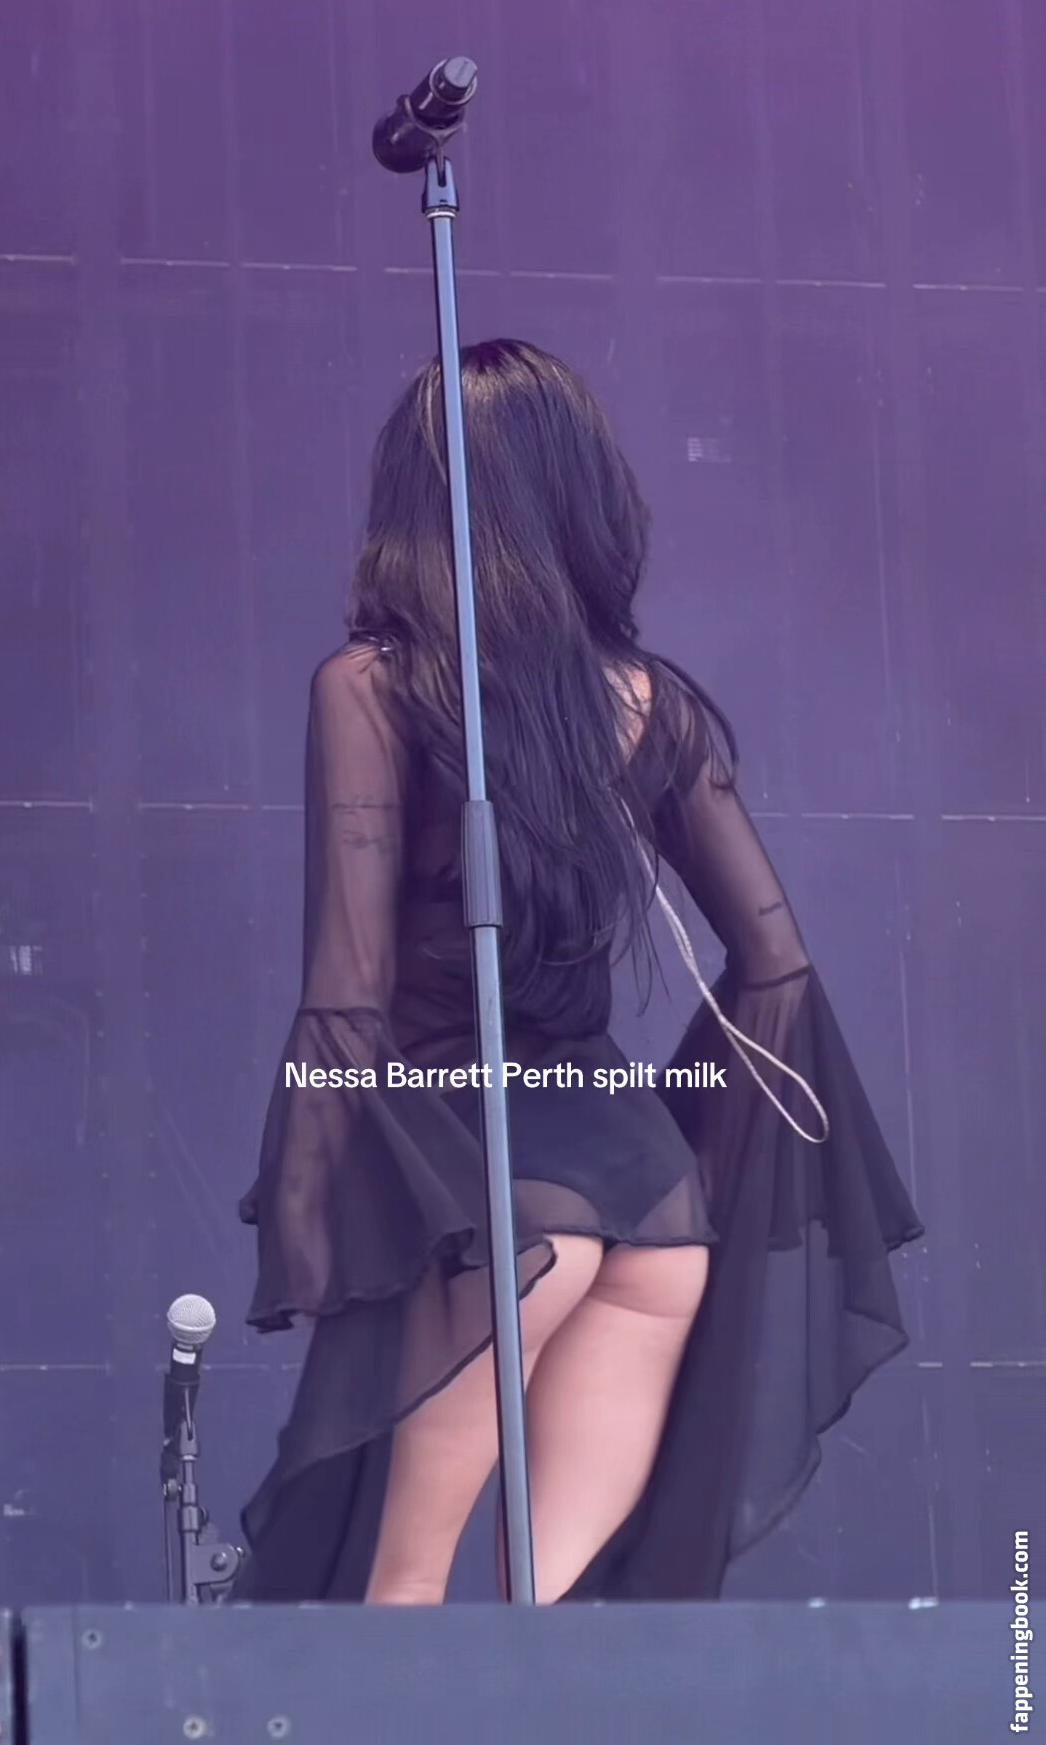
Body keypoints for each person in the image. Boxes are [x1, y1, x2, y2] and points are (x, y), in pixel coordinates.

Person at [235, 338, 923, 1605]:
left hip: (488, 1182)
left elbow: (348, 988)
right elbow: (776, 961)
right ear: (583, 496)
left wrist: (316, 1209)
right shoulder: (645, 703)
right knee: (543, 1620)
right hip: (650, 1197)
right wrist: (699, 1144)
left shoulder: (373, 689)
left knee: (399, 1595)